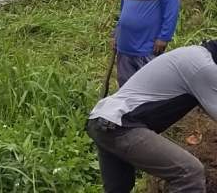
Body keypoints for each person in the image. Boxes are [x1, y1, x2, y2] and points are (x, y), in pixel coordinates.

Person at [87, 40, 217, 192]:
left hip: (103, 121)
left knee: (120, 188)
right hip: (121, 124)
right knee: (189, 172)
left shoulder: (194, 55)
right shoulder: (203, 67)